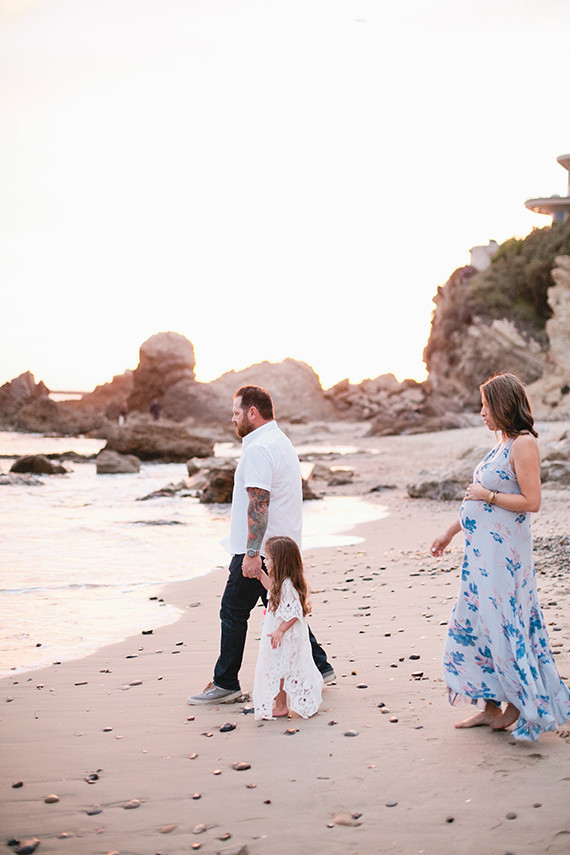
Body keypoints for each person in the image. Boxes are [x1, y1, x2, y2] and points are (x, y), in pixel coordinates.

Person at [430, 372, 570, 741]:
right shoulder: (501, 443)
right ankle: (490, 708)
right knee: (475, 625)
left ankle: (520, 705)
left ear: (503, 405)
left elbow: (532, 502)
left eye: (485, 405)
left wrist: (487, 496)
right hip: (479, 559)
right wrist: (448, 533)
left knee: (503, 626)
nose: (481, 413)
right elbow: (474, 500)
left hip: (504, 561)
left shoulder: (523, 444)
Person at [188, 385, 334, 704]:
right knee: (280, 605)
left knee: (233, 611)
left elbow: (259, 504)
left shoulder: (259, 448)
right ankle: (319, 665)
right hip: (282, 546)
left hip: (260, 549)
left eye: (237, 412)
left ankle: (226, 683)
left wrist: (252, 554)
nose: (233, 418)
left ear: (252, 413)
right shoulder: (278, 441)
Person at [253, 535, 323, 720]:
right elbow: (272, 591)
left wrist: (281, 630)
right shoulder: (281, 583)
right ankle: (281, 705)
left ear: (279, 562)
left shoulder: (288, 585)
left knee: (284, 667)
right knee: (278, 668)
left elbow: (295, 612)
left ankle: (290, 703)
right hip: (280, 634)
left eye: (267, 559)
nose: (264, 561)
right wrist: (261, 574)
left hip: (286, 635)